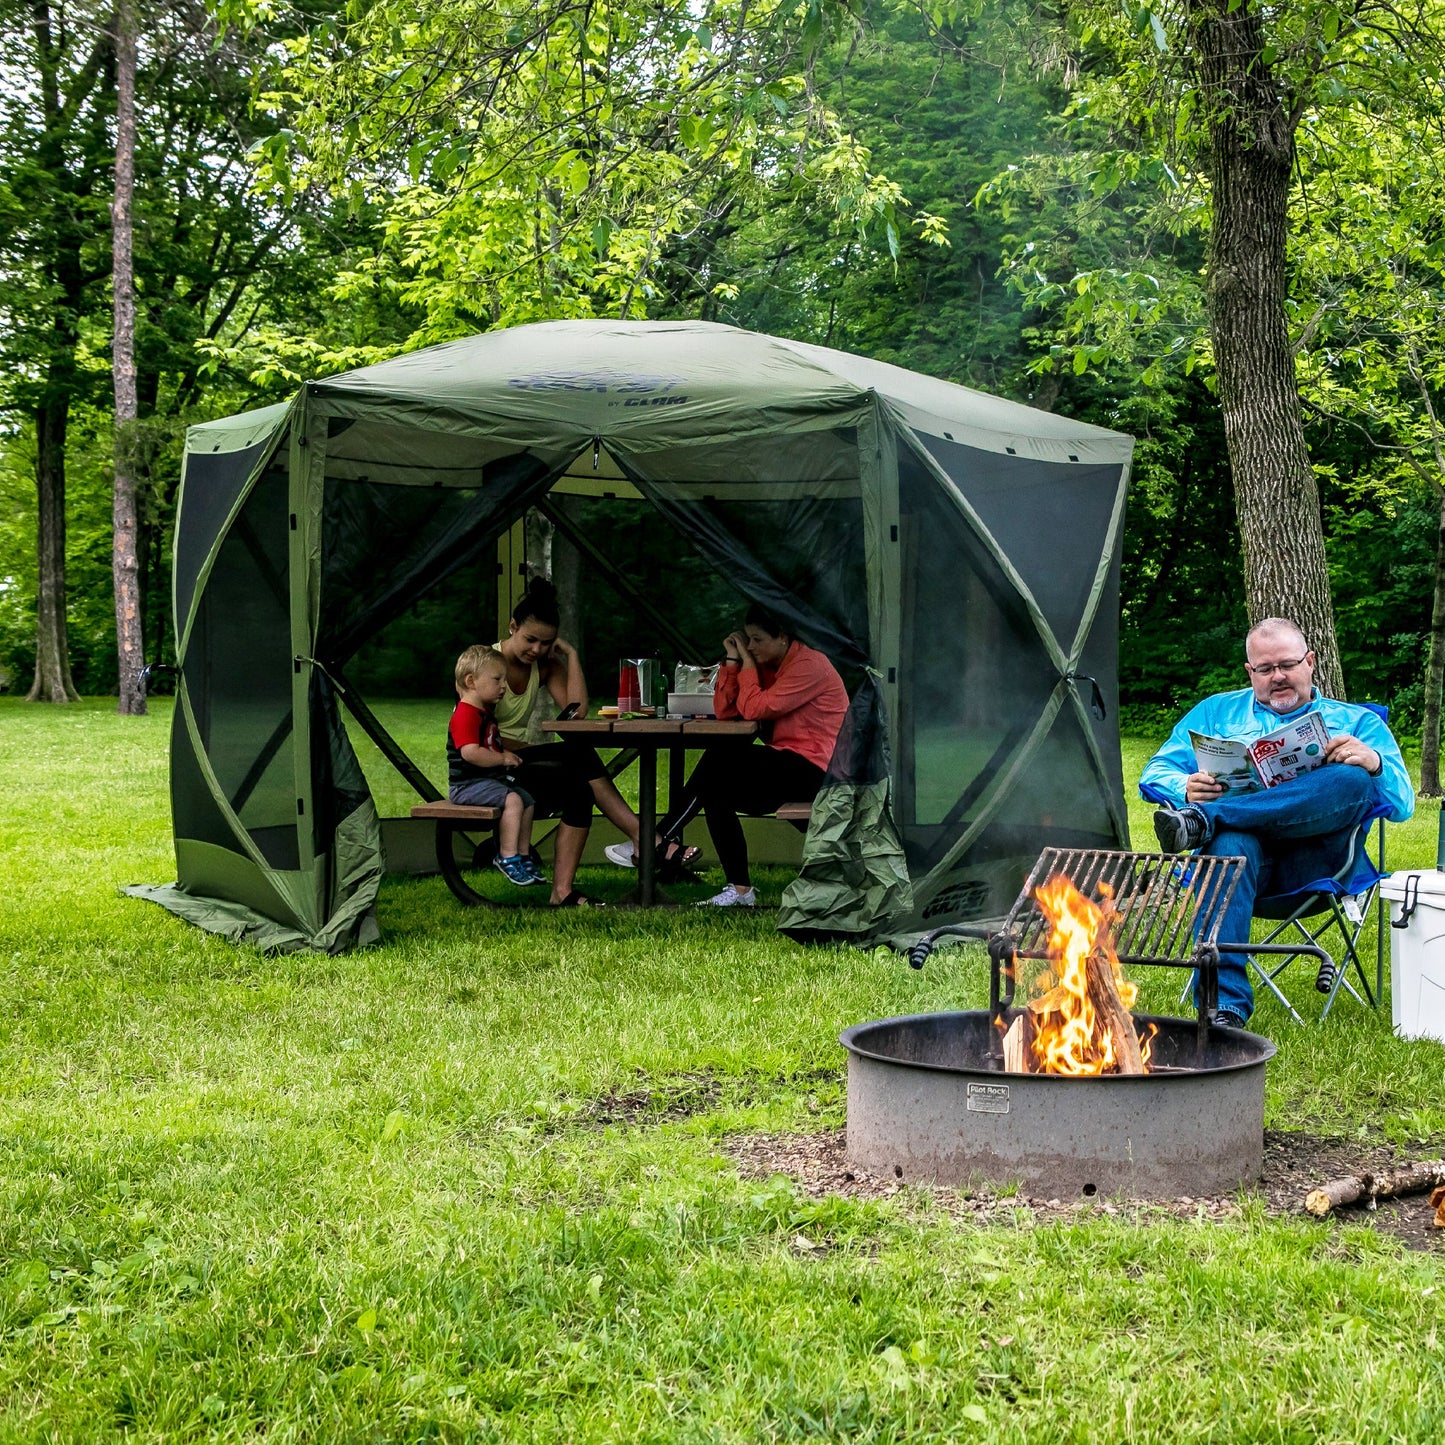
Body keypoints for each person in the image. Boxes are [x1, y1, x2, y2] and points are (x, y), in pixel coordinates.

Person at [1140, 617, 1414, 1027]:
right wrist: (1185, 786)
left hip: (1319, 864)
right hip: (1247, 868)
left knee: (1351, 779)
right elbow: (1155, 771)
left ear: (1310, 662)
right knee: (1229, 845)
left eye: (1287, 664)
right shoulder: (1216, 713)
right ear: (1250, 671)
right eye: (1265, 669)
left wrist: (1374, 764)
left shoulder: (1358, 722)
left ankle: (1205, 819)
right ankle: (1222, 1010)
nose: (1278, 676)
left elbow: (1403, 804)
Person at [652, 603, 850, 907]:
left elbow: (756, 708)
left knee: (720, 758)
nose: (752, 647)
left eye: (757, 639)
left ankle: (657, 838)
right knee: (716, 790)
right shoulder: (767, 667)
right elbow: (726, 710)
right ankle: (740, 891)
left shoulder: (810, 665)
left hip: (821, 772)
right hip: (789, 766)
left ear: (782, 637)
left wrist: (745, 663)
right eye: (748, 639)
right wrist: (733, 662)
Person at [492, 576, 660, 906]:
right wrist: (525, 750)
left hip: (520, 762)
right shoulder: (487, 661)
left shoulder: (543, 665)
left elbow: (576, 713)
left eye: (546, 643)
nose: (536, 650)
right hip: (489, 764)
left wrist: (571, 656)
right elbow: (476, 734)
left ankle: (562, 891)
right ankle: (644, 837)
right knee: (578, 753)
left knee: (580, 785)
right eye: (530, 639)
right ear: (512, 627)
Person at [447, 645, 542, 886]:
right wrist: (502, 758)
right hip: (466, 786)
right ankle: (507, 857)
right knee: (514, 800)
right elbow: (470, 753)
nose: (503, 686)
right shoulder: (466, 714)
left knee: (527, 800)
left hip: (487, 782)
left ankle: (523, 855)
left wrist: (506, 757)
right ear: (471, 681)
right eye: (497, 679)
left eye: (504, 680)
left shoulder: (483, 713)